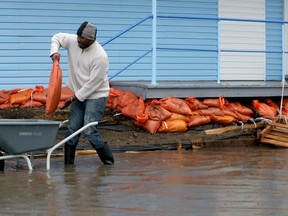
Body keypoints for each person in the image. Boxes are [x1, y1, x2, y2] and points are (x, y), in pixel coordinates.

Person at [50, 21, 114, 166]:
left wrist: (73, 98)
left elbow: (94, 84)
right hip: (79, 93)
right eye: (78, 35)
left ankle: (108, 163)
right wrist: (54, 52)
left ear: (91, 39)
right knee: (73, 128)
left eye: (82, 38)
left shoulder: (100, 56)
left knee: (89, 129)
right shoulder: (74, 41)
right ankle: (68, 166)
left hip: (96, 96)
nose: (78, 39)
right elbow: (57, 37)